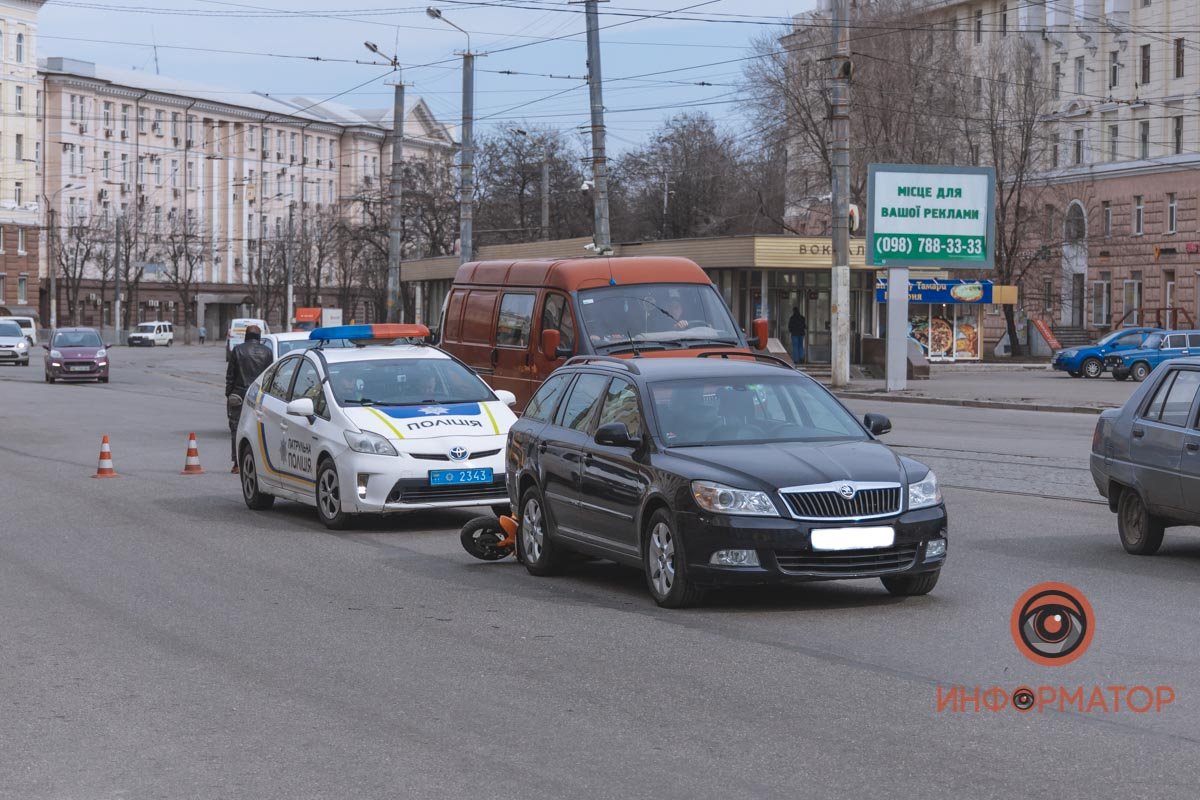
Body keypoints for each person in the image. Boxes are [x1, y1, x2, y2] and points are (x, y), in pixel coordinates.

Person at [225, 324, 272, 474]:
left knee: (236, 428)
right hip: (259, 397)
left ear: (246, 336)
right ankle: (258, 463)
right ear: (259, 337)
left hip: (238, 394)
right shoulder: (267, 352)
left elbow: (230, 375)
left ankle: (237, 463)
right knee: (258, 429)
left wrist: (228, 394)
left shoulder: (238, 350)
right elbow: (270, 376)